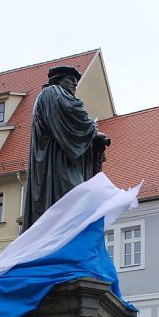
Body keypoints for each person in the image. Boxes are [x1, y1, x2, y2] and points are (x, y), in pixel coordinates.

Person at [23, 65, 110, 229]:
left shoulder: (56, 96)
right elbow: (71, 113)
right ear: (58, 80)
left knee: (80, 199)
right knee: (77, 197)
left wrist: (95, 141)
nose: (75, 84)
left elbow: (73, 122)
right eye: (71, 80)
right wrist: (92, 131)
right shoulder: (51, 93)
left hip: (67, 159)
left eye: (76, 81)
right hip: (55, 162)